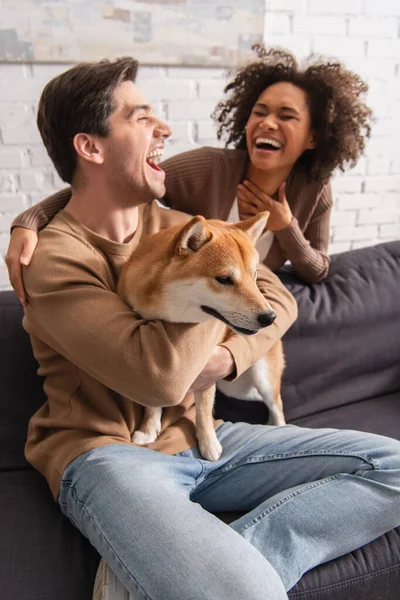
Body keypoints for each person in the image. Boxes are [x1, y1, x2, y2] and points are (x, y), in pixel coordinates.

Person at [5, 55, 400, 600]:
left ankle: (156, 569)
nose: (164, 127)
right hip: (107, 452)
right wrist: (29, 221)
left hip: (202, 435)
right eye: (141, 117)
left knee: (394, 467)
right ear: (91, 147)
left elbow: (277, 299)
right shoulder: (52, 260)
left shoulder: (178, 225)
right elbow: (162, 380)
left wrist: (230, 358)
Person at [6, 45, 373, 306]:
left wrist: (286, 226)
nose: (268, 123)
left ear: (313, 137)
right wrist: (30, 219)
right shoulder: (208, 168)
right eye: (259, 111)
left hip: (244, 313)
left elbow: (317, 270)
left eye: (287, 116)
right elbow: (114, 183)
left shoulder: (314, 190)